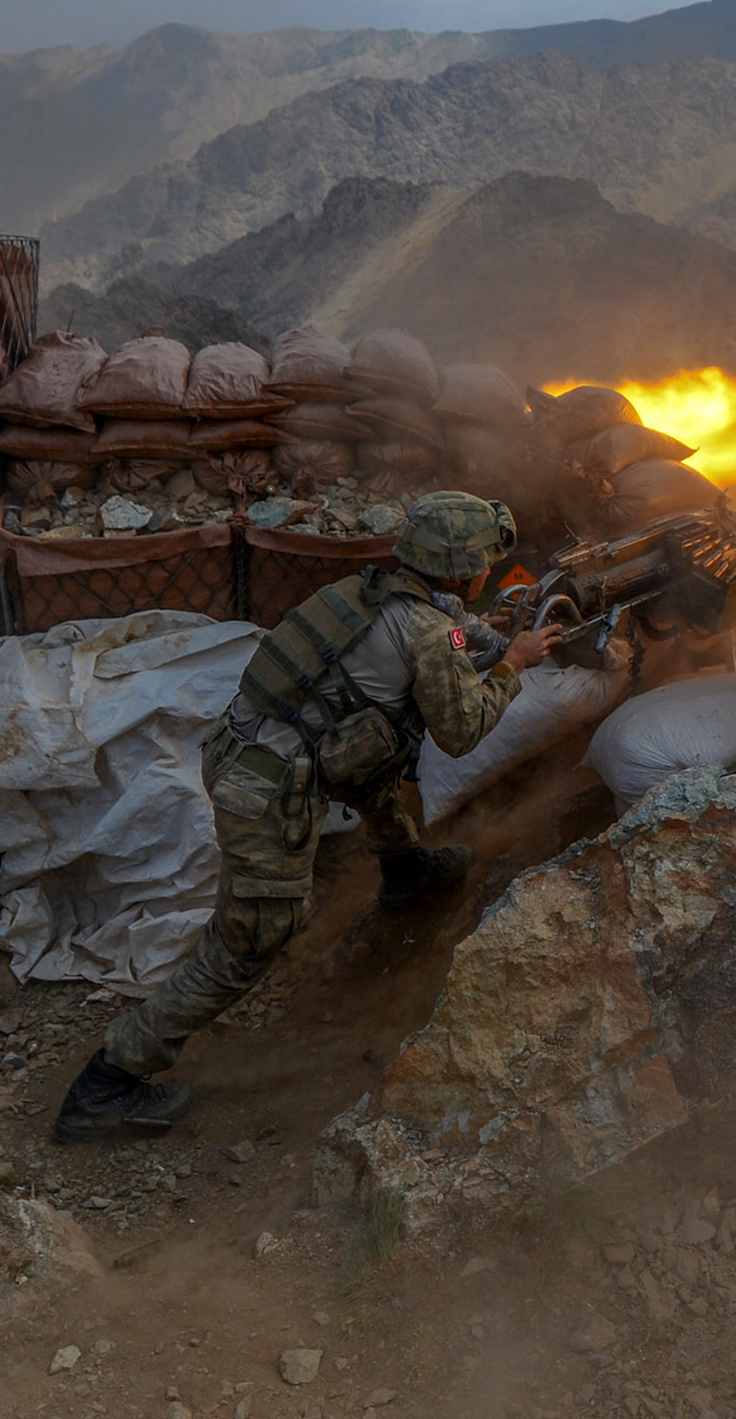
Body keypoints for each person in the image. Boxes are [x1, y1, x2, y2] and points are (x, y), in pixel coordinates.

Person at [53, 490, 558, 1143]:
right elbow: (461, 730)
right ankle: (106, 1085)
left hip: (243, 751)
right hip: (264, 792)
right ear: (463, 569)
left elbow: (447, 638)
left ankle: (404, 868)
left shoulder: (370, 592)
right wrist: (514, 664)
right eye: (488, 557)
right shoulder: (427, 630)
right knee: (249, 943)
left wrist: (486, 639)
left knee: (376, 753)